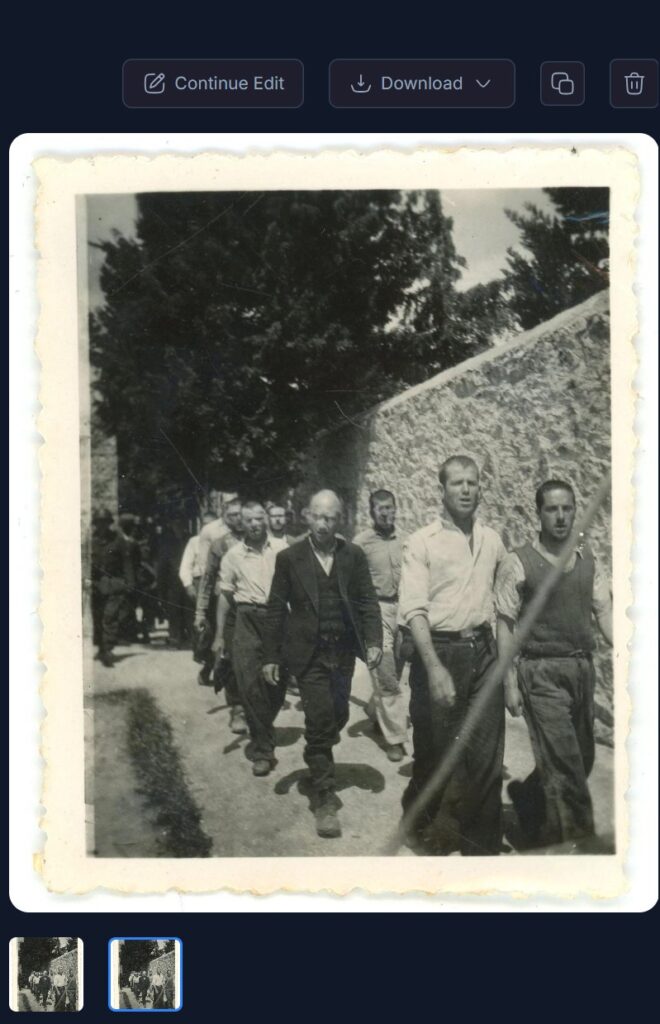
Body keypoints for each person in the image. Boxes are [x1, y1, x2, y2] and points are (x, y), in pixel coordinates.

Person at [398, 456, 507, 855]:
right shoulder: (421, 542)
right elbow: (413, 610)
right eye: (457, 483)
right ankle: (418, 819)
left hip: (483, 650)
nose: (466, 489)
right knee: (435, 754)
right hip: (440, 652)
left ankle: (481, 846)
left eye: (472, 483)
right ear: (441, 490)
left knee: (486, 754)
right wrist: (434, 668)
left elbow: (507, 595)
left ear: (480, 489)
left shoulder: (492, 540)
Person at [495, 479, 613, 848]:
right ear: (539, 513)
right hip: (540, 673)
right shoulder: (518, 562)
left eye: (567, 508)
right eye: (552, 509)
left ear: (575, 511)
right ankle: (580, 851)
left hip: (581, 671)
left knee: (581, 759)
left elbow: (604, 610)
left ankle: (528, 800)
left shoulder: (587, 557)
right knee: (567, 769)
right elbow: (505, 625)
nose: (560, 516)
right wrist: (509, 683)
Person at [263, 489, 383, 838]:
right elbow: (275, 609)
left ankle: (317, 751)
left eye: (330, 518)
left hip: (342, 652)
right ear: (307, 516)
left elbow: (367, 601)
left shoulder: (353, 555)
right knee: (319, 719)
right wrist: (271, 656)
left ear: (339, 520)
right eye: (317, 517)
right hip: (308, 654)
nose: (323, 524)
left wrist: (374, 641)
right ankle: (325, 797)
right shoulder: (289, 558)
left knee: (338, 716)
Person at [218, 502, 288, 774]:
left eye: (259, 518)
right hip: (246, 619)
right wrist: (219, 636)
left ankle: (262, 727)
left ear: (266, 519)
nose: (255, 524)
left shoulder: (282, 550)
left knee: (277, 684)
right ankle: (263, 750)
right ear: (242, 524)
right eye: (249, 520)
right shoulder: (232, 556)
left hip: (277, 619)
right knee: (249, 683)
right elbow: (225, 597)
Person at [354, 489, 409, 762]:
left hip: (403, 610)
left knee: (395, 673)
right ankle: (396, 739)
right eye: (380, 508)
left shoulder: (407, 541)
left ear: (396, 509)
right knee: (386, 675)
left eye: (390, 507)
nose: (386, 513)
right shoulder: (361, 543)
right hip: (376, 611)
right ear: (372, 512)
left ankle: (375, 712)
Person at [195, 499, 247, 732]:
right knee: (230, 657)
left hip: (255, 606)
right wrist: (200, 612)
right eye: (232, 515)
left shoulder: (259, 540)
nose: (237, 519)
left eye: (240, 514)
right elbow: (207, 580)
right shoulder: (220, 545)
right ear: (225, 518)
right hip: (227, 606)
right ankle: (237, 708)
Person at [92, 512, 136, 666]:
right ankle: (101, 647)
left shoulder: (118, 541)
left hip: (114, 582)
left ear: (109, 523)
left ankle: (108, 648)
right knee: (97, 617)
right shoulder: (91, 541)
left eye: (105, 522)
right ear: (95, 524)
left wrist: (130, 583)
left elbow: (127, 562)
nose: (102, 526)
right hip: (96, 584)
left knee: (110, 616)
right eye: (99, 523)